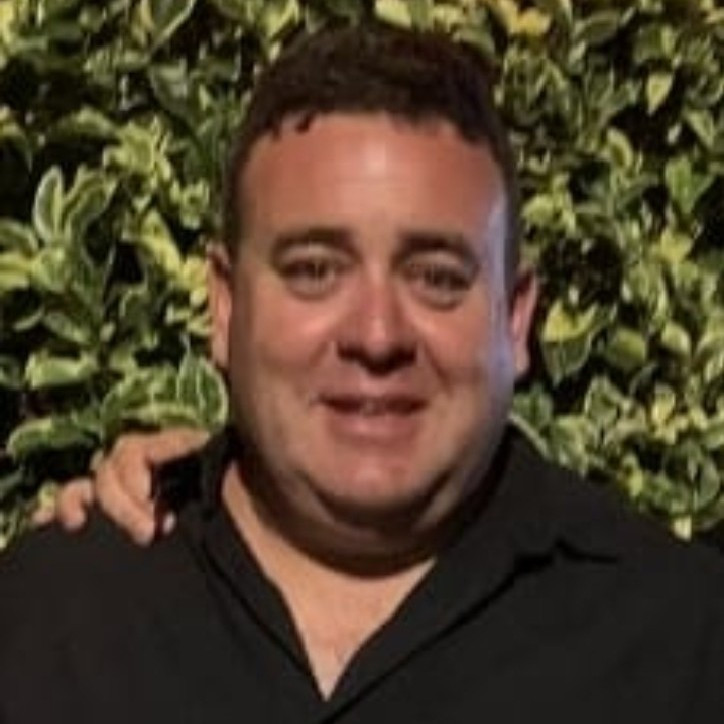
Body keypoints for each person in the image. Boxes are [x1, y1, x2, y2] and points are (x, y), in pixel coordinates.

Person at [3, 21, 724, 723]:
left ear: (514, 316)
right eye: (314, 270)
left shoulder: (683, 642)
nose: (377, 336)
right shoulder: (52, 619)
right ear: (224, 305)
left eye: (437, 278)